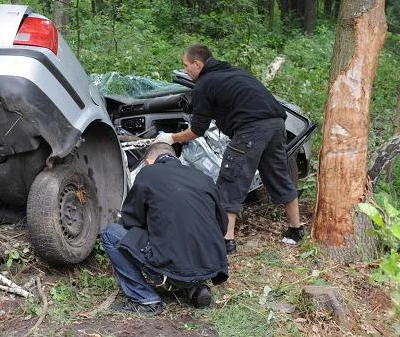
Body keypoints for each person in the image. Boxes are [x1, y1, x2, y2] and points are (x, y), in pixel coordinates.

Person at [154, 44, 304, 254]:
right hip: (276, 123)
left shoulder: (205, 84)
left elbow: (197, 130)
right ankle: (295, 230)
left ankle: (226, 242)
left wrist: (171, 137)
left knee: (231, 178)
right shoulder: (233, 72)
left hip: (251, 128)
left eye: (186, 65)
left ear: (198, 64)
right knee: (279, 175)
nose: (185, 69)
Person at [101, 142, 228, 316]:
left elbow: (132, 221)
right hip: (209, 265)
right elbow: (222, 226)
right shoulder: (202, 177)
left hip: (173, 264)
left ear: (148, 161)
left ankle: (145, 298)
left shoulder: (148, 174)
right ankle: (195, 287)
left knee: (110, 234)